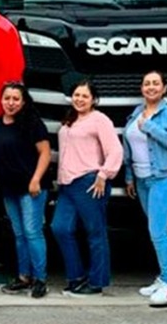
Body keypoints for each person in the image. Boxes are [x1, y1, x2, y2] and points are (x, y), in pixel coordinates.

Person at [50, 79, 123, 297]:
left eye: (85, 96)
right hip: (67, 184)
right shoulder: (69, 120)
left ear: (93, 100)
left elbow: (115, 150)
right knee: (60, 228)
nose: (80, 99)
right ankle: (76, 276)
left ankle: (97, 282)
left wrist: (103, 174)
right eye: (77, 95)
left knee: (95, 233)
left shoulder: (100, 120)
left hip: (89, 182)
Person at [123, 71, 167, 308]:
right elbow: (129, 147)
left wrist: (150, 127)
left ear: (164, 88)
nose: (151, 87)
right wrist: (129, 177)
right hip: (142, 180)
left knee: (157, 230)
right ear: (142, 88)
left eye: (156, 83)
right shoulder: (136, 112)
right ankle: (162, 277)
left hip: (166, 177)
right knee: (157, 229)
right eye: (147, 83)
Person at [0, 82, 51, 299]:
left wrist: (36, 179)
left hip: (31, 189)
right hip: (8, 189)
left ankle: (40, 279)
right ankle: (24, 277)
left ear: (23, 102)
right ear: (1, 100)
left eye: (16, 99)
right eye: (7, 98)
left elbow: (45, 153)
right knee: (19, 233)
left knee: (33, 232)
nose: (11, 103)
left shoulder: (33, 124)